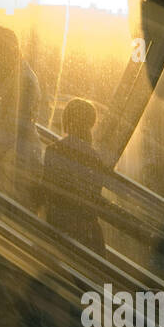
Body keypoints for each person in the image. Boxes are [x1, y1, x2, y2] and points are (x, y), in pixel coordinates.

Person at [0, 26, 43, 206]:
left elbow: (12, 130)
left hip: (17, 169)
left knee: (11, 223)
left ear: (3, 52)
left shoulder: (25, 83)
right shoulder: (4, 75)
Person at [41, 98, 109, 255]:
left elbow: (48, 190)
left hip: (60, 227)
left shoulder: (54, 150)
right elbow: (93, 199)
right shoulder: (95, 159)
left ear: (67, 120)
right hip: (89, 233)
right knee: (99, 277)